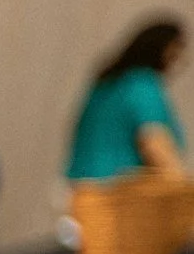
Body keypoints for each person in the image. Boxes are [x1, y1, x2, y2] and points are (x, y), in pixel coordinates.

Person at [67, 18, 186, 182]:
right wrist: (180, 185)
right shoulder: (142, 86)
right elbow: (154, 142)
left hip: (81, 186)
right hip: (116, 189)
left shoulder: (108, 85)